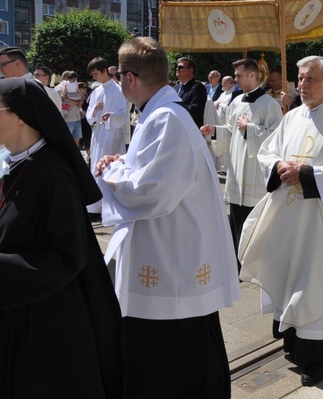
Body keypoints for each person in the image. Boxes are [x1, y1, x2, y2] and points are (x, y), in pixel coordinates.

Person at [96, 37, 241, 398]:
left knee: (171, 358)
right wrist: (123, 163)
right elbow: (152, 172)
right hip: (168, 250)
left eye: (118, 74)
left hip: (171, 262)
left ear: (130, 78)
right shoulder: (159, 114)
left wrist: (112, 174)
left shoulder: (166, 119)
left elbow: (152, 190)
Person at [238, 55, 323, 387]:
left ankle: (316, 356)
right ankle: (295, 343)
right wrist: (279, 166)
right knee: (290, 278)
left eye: (311, 79)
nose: (303, 85)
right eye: (301, 78)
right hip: (290, 219)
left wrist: (306, 173)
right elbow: (267, 151)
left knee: (313, 285)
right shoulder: (293, 115)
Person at [0, 78, 123, 397]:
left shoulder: (54, 175)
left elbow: (67, 258)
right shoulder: (18, 163)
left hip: (44, 328)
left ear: (21, 117)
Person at [200, 58, 283, 250]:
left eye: (239, 75)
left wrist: (251, 129)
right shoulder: (235, 101)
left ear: (252, 75)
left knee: (254, 220)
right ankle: (236, 257)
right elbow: (230, 130)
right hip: (237, 169)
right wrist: (215, 130)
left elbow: (278, 137)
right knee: (236, 216)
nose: (236, 79)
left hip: (256, 173)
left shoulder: (269, 104)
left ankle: (253, 258)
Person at [86, 57, 128, 218]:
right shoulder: (97, 90)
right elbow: (89, 115)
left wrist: (110, 116)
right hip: (97, 133)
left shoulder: (118, 90)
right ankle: (95, 206)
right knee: (95, 167)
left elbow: (123, 114)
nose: (94, 77)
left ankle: (108, 205)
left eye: (96, 73)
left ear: (105, 71)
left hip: (111, 133)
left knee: (108, 168)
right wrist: (95, 110)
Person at [174, 56, 208, 128]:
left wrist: (174, 106)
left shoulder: (198, 87)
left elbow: (195, 110)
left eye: (180, 67)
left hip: (190, 129)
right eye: (177, 67)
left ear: (191, 70)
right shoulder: (174, 88)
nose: (177, 69)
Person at [56, 70, 84, 147]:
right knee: (68, 141)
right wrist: (77, 102)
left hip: (77, 117)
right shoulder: (59, 89)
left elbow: (81, 97)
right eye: (72, 78)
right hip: (67, 118)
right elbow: (63, 103)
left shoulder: (74, 85)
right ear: (66, 78)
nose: (74, 80)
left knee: (76, 140)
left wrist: (80, 100)